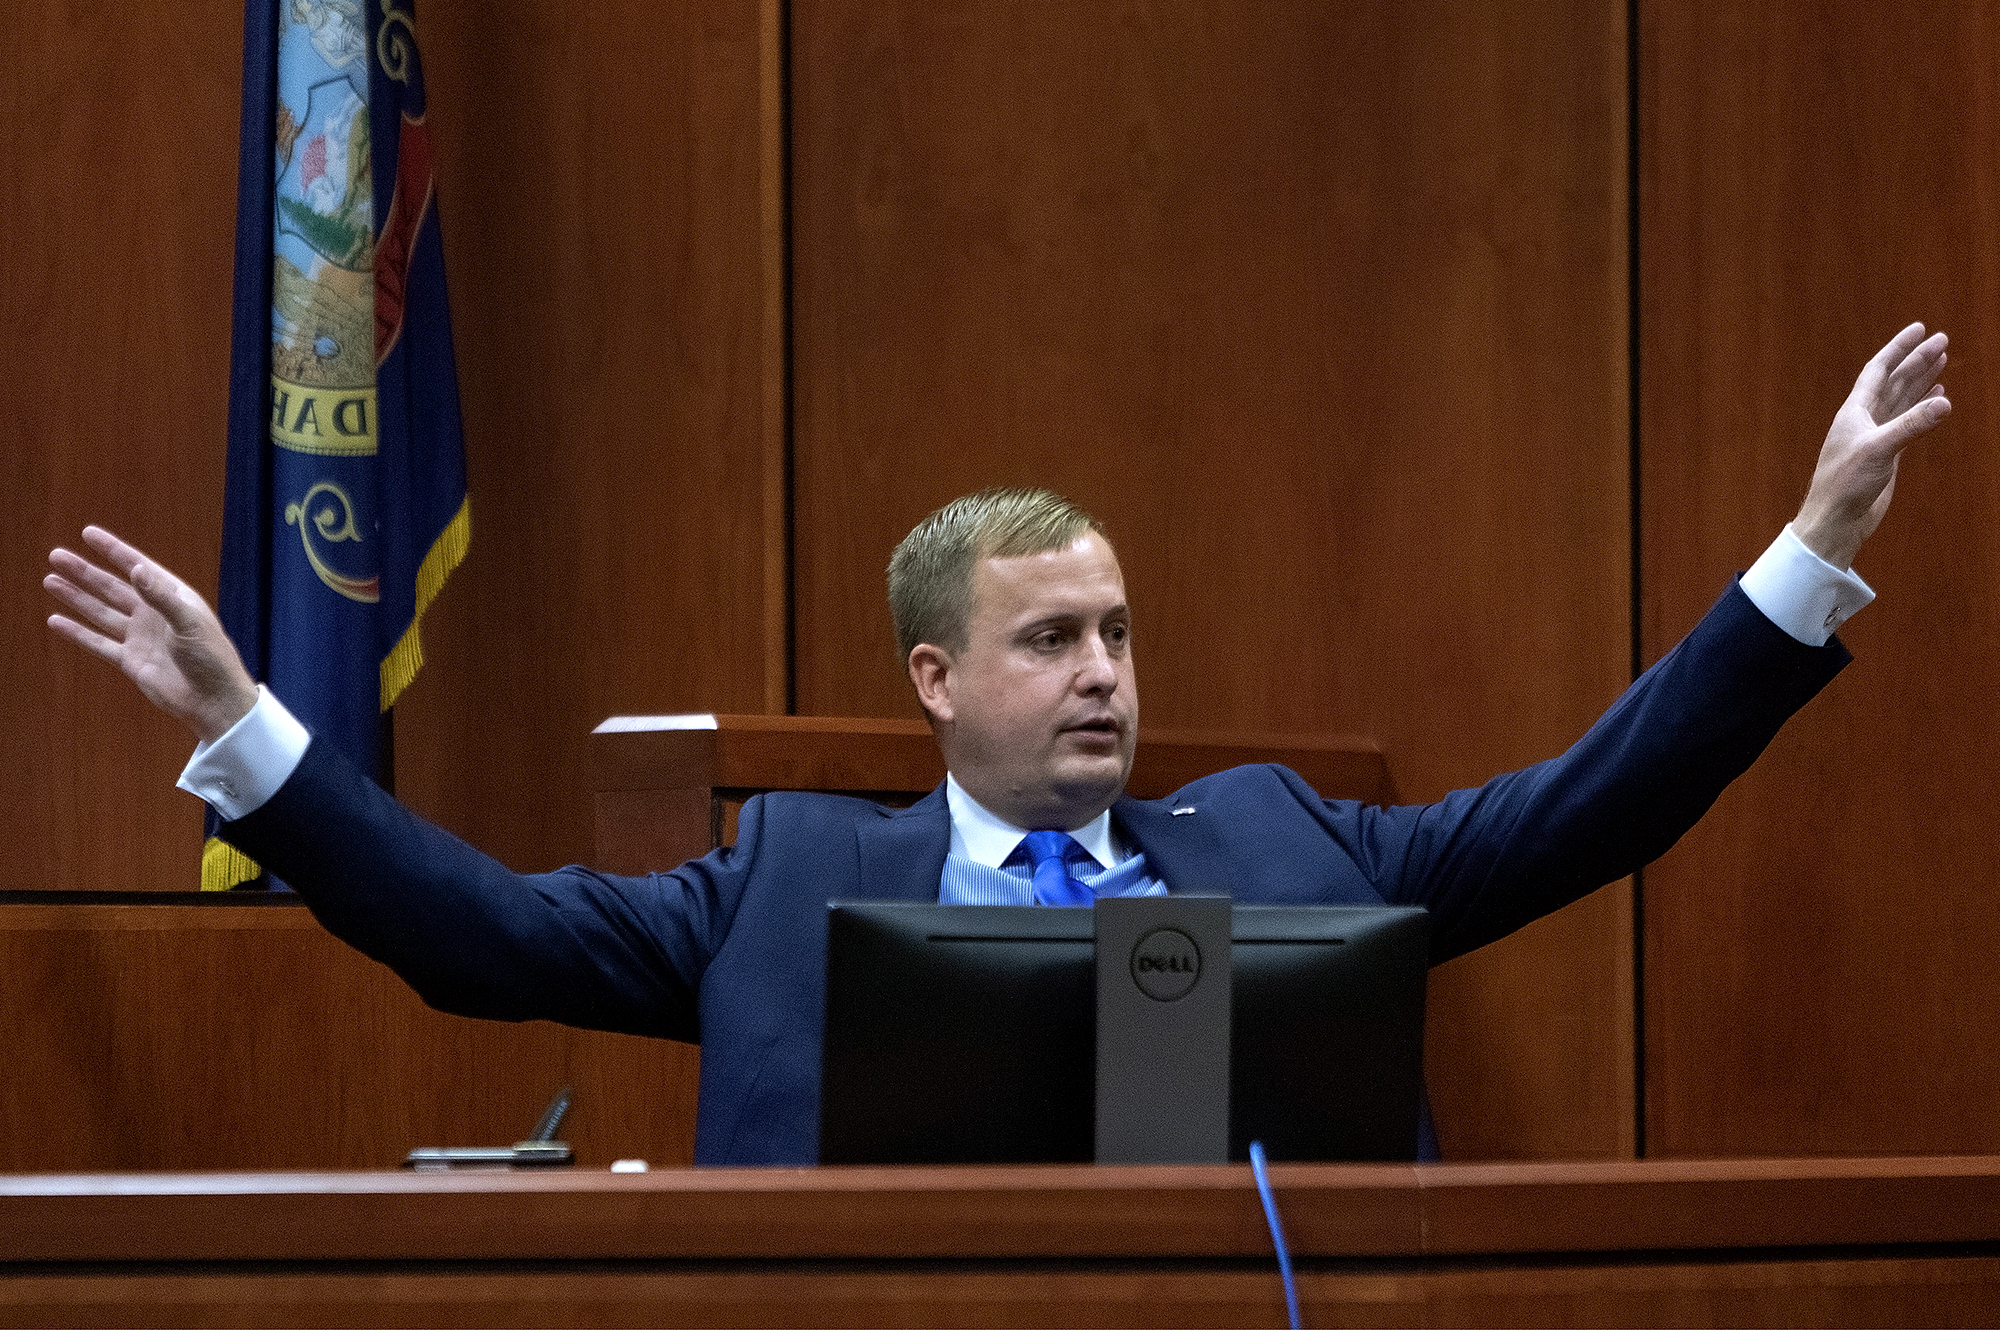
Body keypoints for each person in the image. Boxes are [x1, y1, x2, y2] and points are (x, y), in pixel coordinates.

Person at [45, 325, 1952, 1165]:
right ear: (937, 684)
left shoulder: (1290, 845)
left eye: (1118, 631)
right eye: (1051, 639)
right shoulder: (784, 877)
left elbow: (1594, 803)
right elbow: (480, 936)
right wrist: (252, 735)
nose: (1106, 670)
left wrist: (1808, 551)